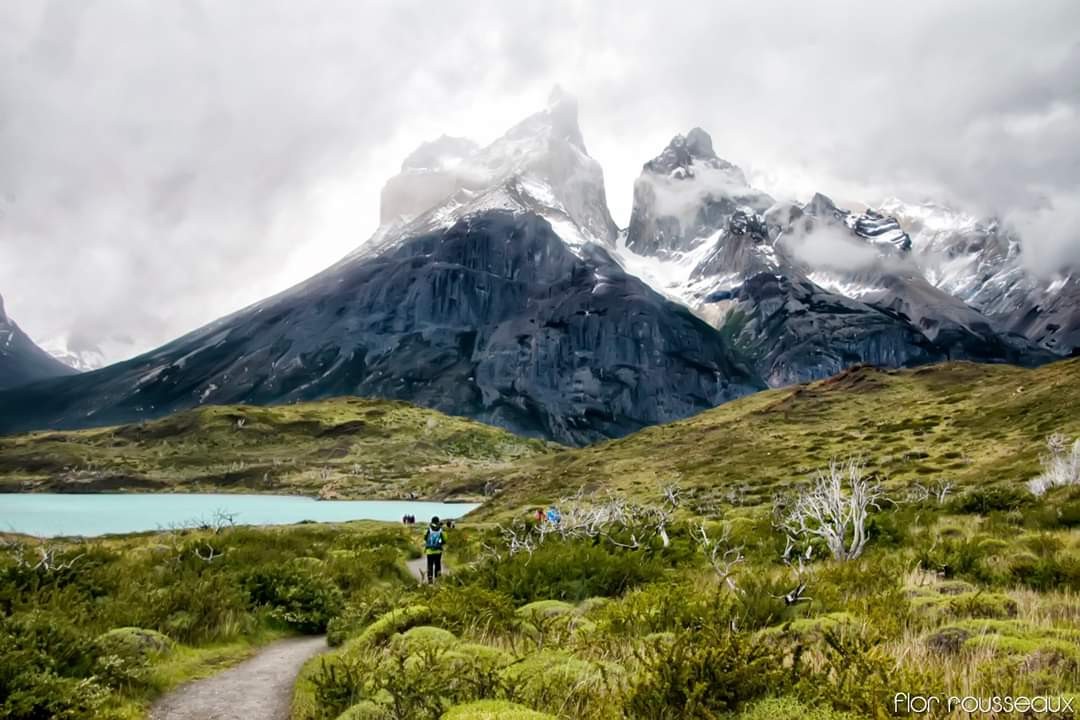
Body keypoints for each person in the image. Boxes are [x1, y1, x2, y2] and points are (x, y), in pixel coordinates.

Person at [423, 516, 446, 583]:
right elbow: (444, 540)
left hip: (429, 550)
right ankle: (437, 579)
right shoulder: (440, 529)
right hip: (438, 550)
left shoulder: (429, 529)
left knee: (430, 565)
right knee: (437, 565)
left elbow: (425, 538)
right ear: (438, 521)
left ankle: (430, 580)